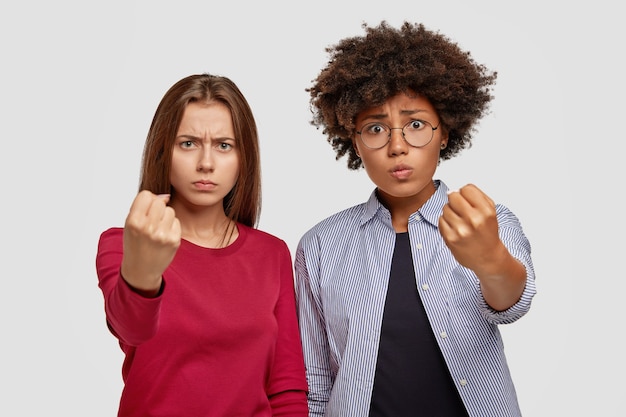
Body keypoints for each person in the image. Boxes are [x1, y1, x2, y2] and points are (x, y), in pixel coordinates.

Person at [294, 21, 537, 417]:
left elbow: (513, 303)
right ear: (353, 140)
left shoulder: (485, 220)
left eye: (417, 125)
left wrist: (490, 260)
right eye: (375, 128)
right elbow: (316, 382)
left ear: (445, 132)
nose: (397, 146)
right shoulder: (320, 246)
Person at [96, 73, 308, 417]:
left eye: (224, 145)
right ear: (164, 150)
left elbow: (286, 387)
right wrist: (144, 271)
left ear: (244, 157)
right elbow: (130, 328)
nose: (206, 163)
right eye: (188, 143)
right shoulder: (122, 243)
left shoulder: (272, 254)